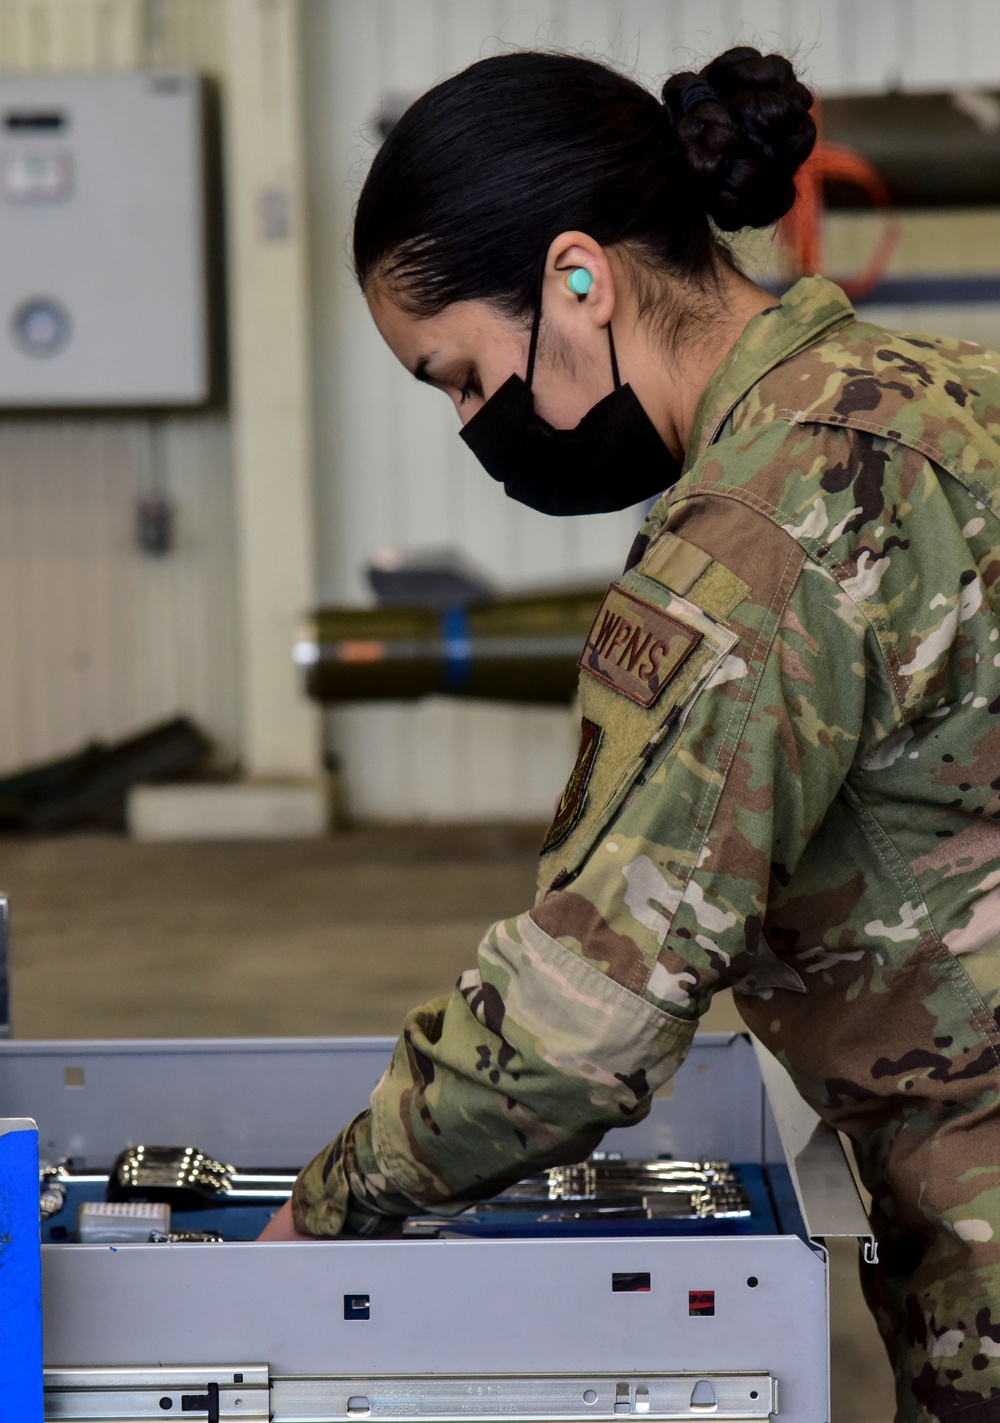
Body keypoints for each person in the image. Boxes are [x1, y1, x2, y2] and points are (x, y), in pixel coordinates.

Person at [259, 45, 1000, 1423]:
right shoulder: (950, 395)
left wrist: (313, 1229)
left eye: (462, 378)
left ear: (578, 282)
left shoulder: (759, 538)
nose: (480, 425)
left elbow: (575, 1029)